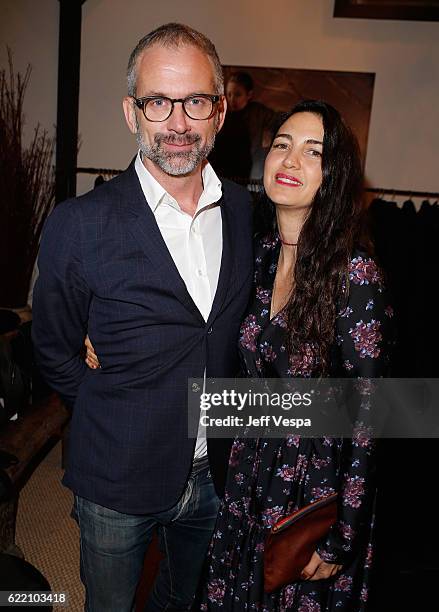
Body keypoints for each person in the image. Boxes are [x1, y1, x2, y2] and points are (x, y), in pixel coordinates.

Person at [31, 23, 253, 612]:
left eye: (196, 101)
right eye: (158, 101)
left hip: (217, 472)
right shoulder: (78, 225)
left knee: (186, 598)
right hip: (116, 479)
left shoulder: (246, 210)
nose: (178, 123)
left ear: (220, 112)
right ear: (132, 112)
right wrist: (111, 408)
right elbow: (52, 347)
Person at [200, 100, 394, 610]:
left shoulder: (355, 275)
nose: (290, 160)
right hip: (247, 474)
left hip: (313, 488)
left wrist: (343, 538)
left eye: (314, 152)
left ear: (334, 176)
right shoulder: (258, 254)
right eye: (282, 145)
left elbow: (368, 416)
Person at [209, 71, 279, 180]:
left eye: (237, 95)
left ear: (249, 95)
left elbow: (279, 121)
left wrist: (270, 136)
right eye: (229, 94)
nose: (232, 99)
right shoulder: (222, 115)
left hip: (253, 174)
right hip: (225, 173)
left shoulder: (259, 113)